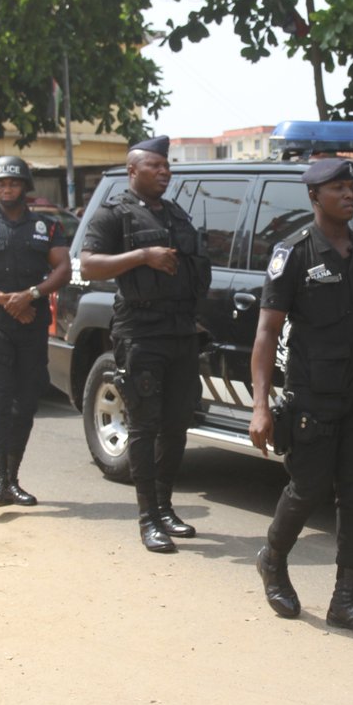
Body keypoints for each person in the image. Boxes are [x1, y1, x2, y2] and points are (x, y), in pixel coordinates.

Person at [248, 157, 353, 639]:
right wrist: (261, 406)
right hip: (313, 395)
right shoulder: (293, 253)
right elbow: (266, 332)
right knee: (308, 489)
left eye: (352, 186)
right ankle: (273, 559)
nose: (349, 194)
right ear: (314, 197)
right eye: (337, 188)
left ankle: (346, 599)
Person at [78, 136, 212, 553]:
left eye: (166, 165)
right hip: (140, 333)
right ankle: (147, 517)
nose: (165, 171)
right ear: (132, 171)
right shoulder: (113, 213)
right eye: (155, 166)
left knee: (176, 425)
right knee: (144, 426)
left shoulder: (175, 214)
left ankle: (166, 507)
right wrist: (141, 256)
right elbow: (88, 263)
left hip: (181, 333)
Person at [0, 156, 71, 509]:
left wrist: (31, 296)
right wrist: (6, 300)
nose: (7, 189)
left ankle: (14, 479)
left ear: (25, 187)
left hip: (32, 327)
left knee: (25, 404)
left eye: (14, 183)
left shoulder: (46, 227)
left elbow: (63, 268)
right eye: (2, 184)